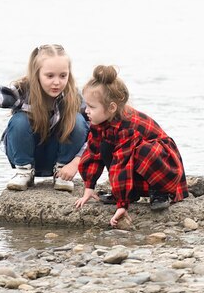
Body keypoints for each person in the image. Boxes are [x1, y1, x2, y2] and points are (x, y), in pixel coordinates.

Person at [0, 44, 89, 192]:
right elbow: (3, 95)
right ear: (37, 74)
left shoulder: (74, 97)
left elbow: (95, 132)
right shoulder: (24, 91)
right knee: (19, 120)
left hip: (61, 160)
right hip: (29, 155)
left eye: (63, 75)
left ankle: (61, 174)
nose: (57, 82)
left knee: (79, 121)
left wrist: (75, 163)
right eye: (50, 76)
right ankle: (24, 172)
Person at [74, 65, 188, 227]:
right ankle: (131, 193)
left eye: (92, 107)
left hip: (164, 169)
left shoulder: (126, 128)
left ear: (112, 107)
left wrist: (122, 205)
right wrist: (89, 187)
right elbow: (93, 154)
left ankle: (160, 193)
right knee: (105, 146)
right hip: (139, 168)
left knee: (144, 150)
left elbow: (122, 163)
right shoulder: (100, 121)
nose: (86, 110)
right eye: (87, 105)